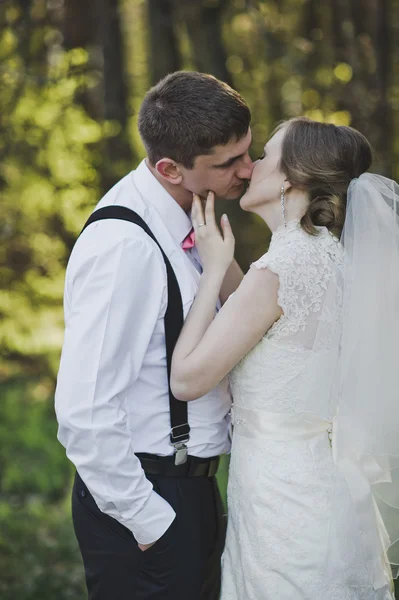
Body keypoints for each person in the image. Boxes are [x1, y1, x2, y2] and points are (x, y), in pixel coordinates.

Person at [171, 116, 399, 599]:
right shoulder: (330, 258)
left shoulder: (281, 268)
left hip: (284, 509)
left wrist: (212, 271)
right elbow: (258, 322)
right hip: (327, 496)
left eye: (265, 156)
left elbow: (188, 381)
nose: (251, 166)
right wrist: (228, 260)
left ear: (291, 178)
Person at [54, 70, 253, 600]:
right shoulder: (126, 245)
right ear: (169, 168)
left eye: (247, 153)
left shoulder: (190, 220)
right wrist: (149, 521)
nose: (248, 171)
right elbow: (85, 409)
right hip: (148, 500)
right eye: (229, 163)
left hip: (191, 491)